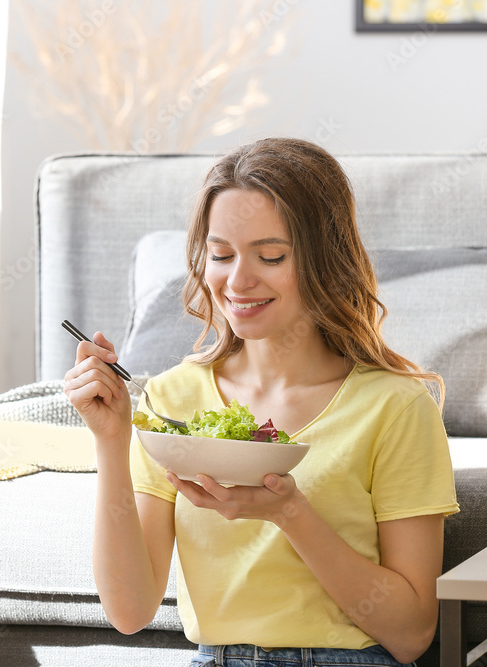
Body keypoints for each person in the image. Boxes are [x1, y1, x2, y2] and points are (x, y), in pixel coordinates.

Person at [64, 137, 459, 667]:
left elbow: (412, 635)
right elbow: (130, 610)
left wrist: (290, 512)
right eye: (221, 254)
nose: (239, 281)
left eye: (270, 256)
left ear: (327, 260)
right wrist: (111, 441)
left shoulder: (394, 406)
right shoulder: (171, 402)